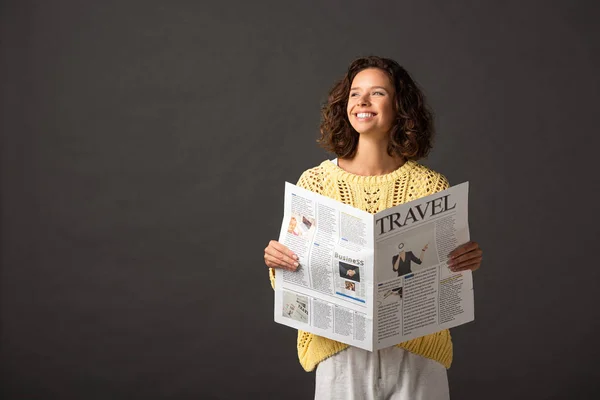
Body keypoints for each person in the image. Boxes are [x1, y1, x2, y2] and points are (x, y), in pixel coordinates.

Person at [263, 56, 483, 399]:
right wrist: (279, 264)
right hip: (339, 353)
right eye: (354, 94)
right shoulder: (315, 184)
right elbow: (296, 284)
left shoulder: (431, 187)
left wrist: (465, 263)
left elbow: (445, 278)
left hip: (417, 354)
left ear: (400, 107)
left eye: (377, 93)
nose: (362, 102)